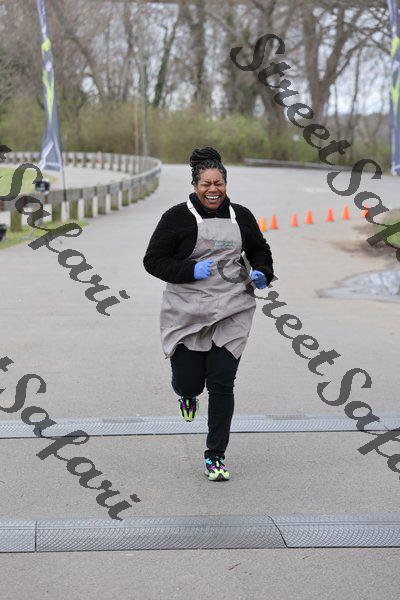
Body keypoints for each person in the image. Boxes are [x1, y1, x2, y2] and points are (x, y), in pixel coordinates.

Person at [143, 147, 274, 481]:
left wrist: (262, 272)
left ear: (226, 184)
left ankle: (215, 455)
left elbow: (260, 250)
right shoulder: (176, 218)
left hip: (232, 307)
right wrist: (189, 270)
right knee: (188, 381)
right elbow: (153, 260)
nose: (213, 190)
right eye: (206, 184)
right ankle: (187, 395)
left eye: (219, 184)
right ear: (195, 185)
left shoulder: (241, 216)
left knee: (222, 381)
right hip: (187, 310)